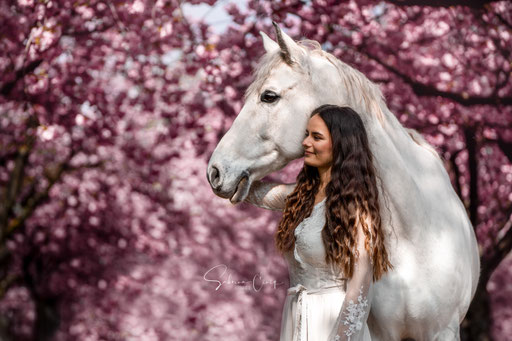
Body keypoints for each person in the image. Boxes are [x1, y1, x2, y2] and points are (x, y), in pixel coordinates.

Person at [244, 105, 393, 341]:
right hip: (297, 316)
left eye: (317, 137)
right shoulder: (301, 196)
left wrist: (342, 338)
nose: (305, 142)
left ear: (341, 145)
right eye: (306, 134)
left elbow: (361, 284)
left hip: (333, 322)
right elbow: (250, 191)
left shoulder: (356, 206)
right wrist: (233, 166)